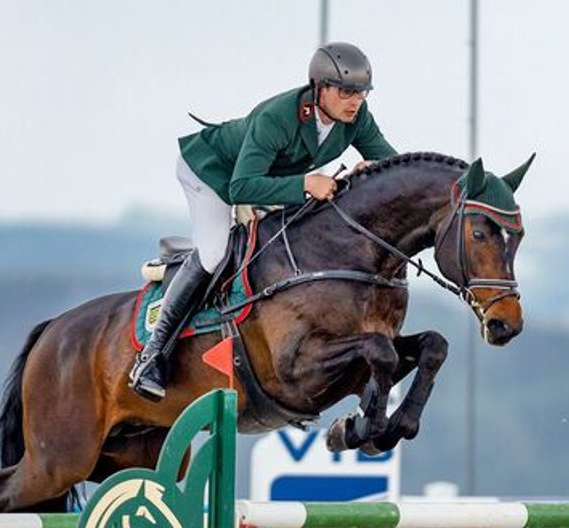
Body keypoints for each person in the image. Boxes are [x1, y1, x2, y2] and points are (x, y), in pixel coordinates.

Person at [129, 41, 398, 399]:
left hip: (262, 180)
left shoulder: (357, 118)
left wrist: (374, 169)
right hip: (211, 173)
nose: (355, 101)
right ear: (320, 88)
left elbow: (394, 164)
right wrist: (305, 184)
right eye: (346, 92)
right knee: (214, 252)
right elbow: (240, 187)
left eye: (361, 93)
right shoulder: (278, 117)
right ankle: (152, 356)